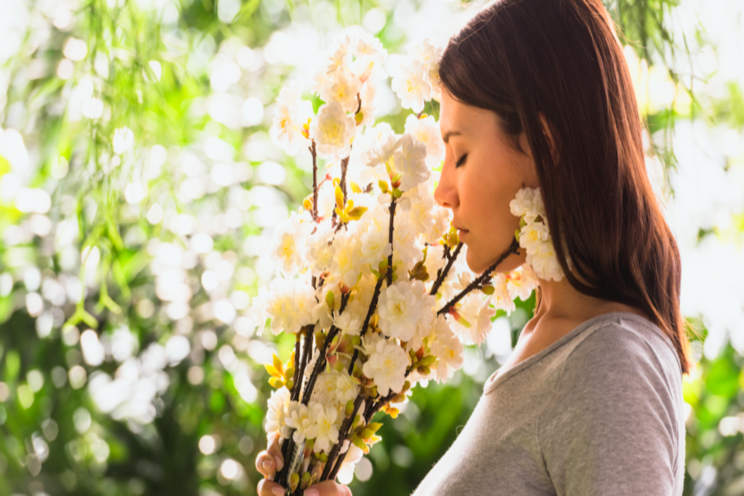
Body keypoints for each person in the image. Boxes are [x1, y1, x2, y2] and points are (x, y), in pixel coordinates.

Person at [256, 0, 692, 493]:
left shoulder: (611, 363)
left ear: (544, 147)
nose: (442, 192)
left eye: (459, 154)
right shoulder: (550, 343)